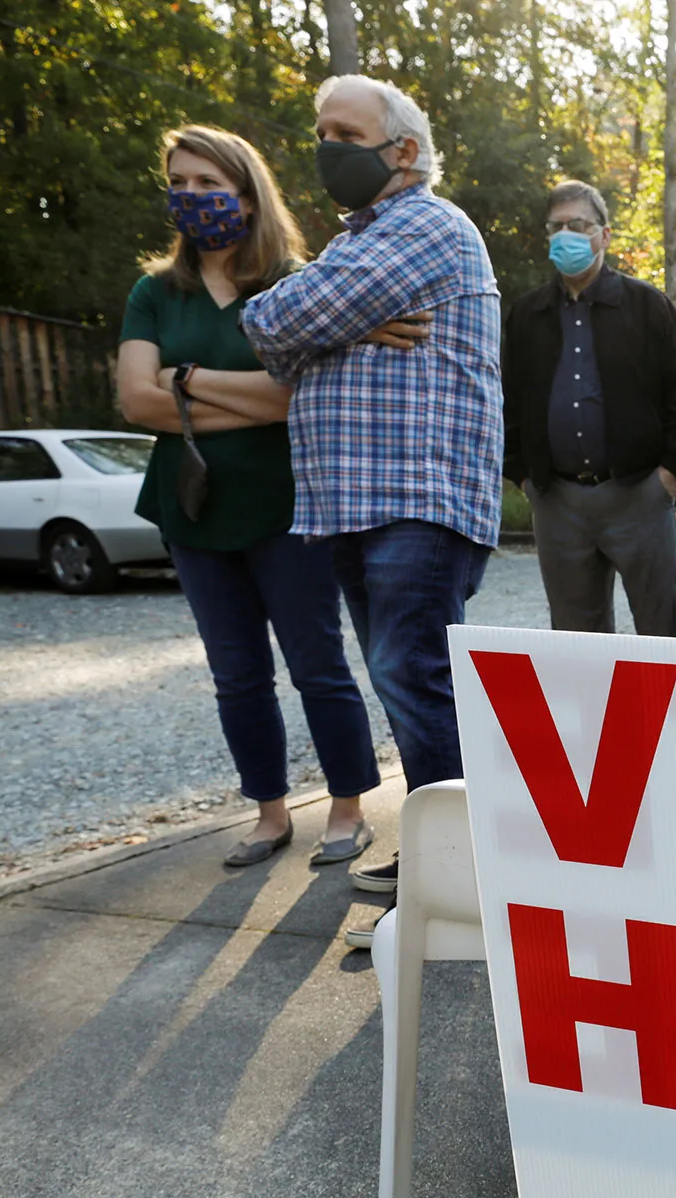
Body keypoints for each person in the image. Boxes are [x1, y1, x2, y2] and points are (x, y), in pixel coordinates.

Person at [239, 74, 502, 939]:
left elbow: (284, 316)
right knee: (408, 683)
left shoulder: (424, 223)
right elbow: (278, 330)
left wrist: (327, 321)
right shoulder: (365, 245)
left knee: (413, 678)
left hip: (413, 496)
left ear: (404, 151)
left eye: (344, 131)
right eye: (319, 131)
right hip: (364, 499)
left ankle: (461, 878)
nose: (325, 147)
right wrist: (344, 321)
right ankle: (444, 857)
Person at [117, 124, 380, 870]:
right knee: (235, 672)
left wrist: (189, 381)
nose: (192, 198)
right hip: (194, 509)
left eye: (209, 184)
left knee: (316, 662)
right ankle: (269, 813)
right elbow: (137, 401)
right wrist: (242, 396)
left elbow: (292, 399)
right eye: (180, 183)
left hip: (288, 504)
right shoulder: (154, 292)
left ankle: (348, 807)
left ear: (246, 192)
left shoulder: (294, 282)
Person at [502, 179, 676, 636]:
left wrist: (669, 476)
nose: (566, 235)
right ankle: (590, 712)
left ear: (605, 234)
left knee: (662, 635)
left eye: (578, 224)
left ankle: (664, 710)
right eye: (556, 226)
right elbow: (506, 400)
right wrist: (524, 476)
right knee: (578, 642)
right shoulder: (527, 315)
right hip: (558, 503)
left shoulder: (647, 307)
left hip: (639, 496)